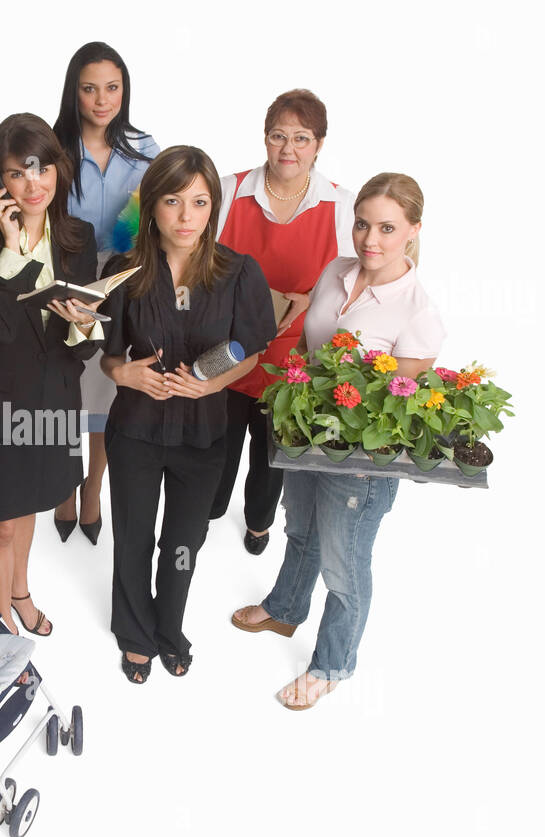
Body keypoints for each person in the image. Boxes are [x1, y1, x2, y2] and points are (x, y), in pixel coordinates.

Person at [231, 173, 445, 710]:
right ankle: (285, 609)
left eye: (388, 228)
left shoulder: (416, 310)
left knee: (345, 564)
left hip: (360, 460)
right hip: (310, 437)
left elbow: (400, 399)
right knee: (299, 527)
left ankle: (333, 663)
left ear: (413, 232)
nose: (370, 239)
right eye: (363, 224)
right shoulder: (335, 270)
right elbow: (306, 344)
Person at [101, 146, 275, 683]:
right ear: (151, 205)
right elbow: (107, 353)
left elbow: (254, 345)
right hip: (135, 429)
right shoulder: (122, 272)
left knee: (181, 542)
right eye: (173, 201)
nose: (185, 216)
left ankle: (169, 628)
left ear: (213, 208)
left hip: (203, 435)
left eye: (199, 202)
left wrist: (211, 386)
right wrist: (122, 373)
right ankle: (134, 634)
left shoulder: (238, 272)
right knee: (133, 534)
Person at [0, 113, 104, 637]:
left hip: (55, 398)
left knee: (32, 505)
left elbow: (82, 351)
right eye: (17, 174)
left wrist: (83, 327)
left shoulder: (77, 238)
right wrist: (12, 249)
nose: (33, 184)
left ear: (59, 168)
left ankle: (21, 593)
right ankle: (1, 625)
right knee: (4, 521)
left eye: (41, 168)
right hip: (1, 401)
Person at [209, 89, 356, 557]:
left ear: (320, 144)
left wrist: (311, 296)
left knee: (270, 456)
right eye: (278, 136)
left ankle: (257, 523)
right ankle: (207, 511)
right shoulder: (227, 190)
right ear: (265, 138)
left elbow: (354, 283)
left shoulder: (341, 205)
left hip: (291, 362)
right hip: (224, 350)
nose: (288, 149)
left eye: (301, 138)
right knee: (216, 446)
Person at [50, 41, 159, 545]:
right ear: (73, 90)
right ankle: (63, 486)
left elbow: (153, 222)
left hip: (120, 279)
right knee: (62, 387)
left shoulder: (145, 149)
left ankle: (94, 487)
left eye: (111, 88)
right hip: (61, 279)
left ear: (124, 90)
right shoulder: (51, 148)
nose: (101, 99)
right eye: (89, 88)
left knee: (105, 389)